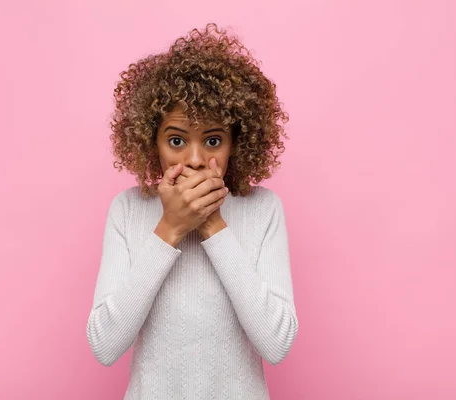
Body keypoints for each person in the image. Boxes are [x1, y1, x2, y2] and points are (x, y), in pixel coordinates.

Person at [86, 23, 299, 399]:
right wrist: (170, 228)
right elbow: (104, 345)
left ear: (237, 142)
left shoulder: (263, 209)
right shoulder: (128, 209)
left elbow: (277, 342)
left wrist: (213, 224)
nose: (196, 160)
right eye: (177, 140)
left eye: (213, 140)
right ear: (152, 141)